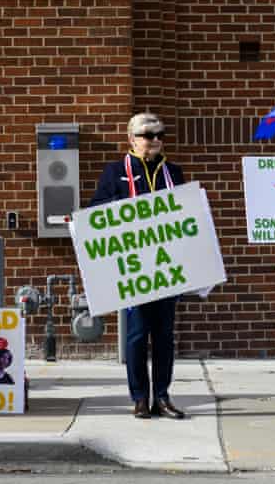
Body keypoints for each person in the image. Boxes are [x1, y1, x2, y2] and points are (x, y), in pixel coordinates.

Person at [89, 112, 187, 419]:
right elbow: (97, 213)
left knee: (164, 337)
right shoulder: (116, 172)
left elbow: (186, 215)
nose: (155, 139)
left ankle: (162, 396)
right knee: (136, 336)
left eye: (160, 134)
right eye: (148, 134)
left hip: (166, 266)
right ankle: (140, 397)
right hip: (133, 270)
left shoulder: (174, 172)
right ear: (132, 139)